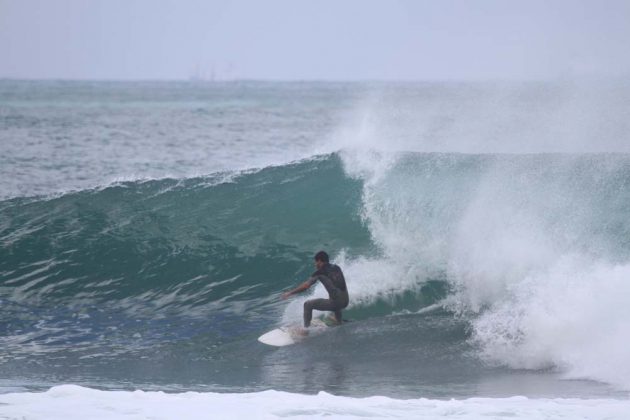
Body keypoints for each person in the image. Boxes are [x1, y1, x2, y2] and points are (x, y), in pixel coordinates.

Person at [282, 251, 349, 328]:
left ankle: (306, 330)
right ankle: (338, 320)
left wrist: (290, 293)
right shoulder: (337, 267)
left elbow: (306, 286)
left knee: (307, 305)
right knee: (334, 295)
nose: (315, 264)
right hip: (346, 301)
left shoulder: (319, 272)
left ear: (319, 261)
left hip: (337, 303)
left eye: (315, 262)